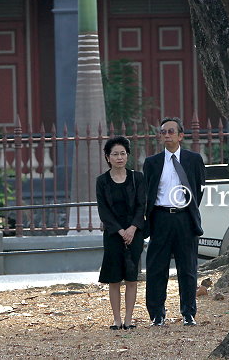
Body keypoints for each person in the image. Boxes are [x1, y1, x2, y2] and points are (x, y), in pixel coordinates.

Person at [143, 117, 206, 326]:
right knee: (156, 268)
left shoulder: (193, 160)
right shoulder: (152, 163)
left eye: (171, 131)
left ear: (180, 135)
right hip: (160, 218)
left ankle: (188, 312)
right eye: (163, 132)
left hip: (184, 218)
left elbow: (197, 189)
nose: (167, 135)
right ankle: (157, 314)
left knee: (187, 267)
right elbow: (149, 192)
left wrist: (187, 209)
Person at [96, 136, 146, 330]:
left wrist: (132, 228)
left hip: (134, 233)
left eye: (123, 153)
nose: (119, 157)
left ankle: (128, 319)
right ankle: (116, 320)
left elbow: (142, 205)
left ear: (128, 156)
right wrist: (120, 231)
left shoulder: (137, 178)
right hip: (113, 234)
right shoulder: (102, 181)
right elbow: (104, 211)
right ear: (108, 157)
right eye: (115, 154)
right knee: (114, 278)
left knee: (132, 277)